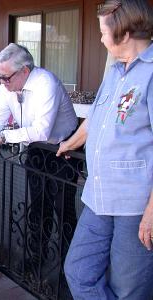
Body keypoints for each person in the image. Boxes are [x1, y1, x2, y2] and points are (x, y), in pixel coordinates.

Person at [57, 0, 153, 298]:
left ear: (124, 35)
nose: (100, 38)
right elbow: (95, 119)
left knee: (128, 290)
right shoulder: (114, 71)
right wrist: (67, 144)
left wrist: (151, 211)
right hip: (98, 197)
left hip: (135, 205)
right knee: (78, 270)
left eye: (102, 31)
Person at [0, 43, 79, 266]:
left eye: (6, 77)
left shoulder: (45, 83)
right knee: (38, 208)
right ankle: (36, 263)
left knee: (64, 211)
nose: (2, 82)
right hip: (38, 148)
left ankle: (69, 267)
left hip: (64, 149)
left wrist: (4, 137)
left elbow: (42, 130)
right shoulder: (8, 86)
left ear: (24, 71)